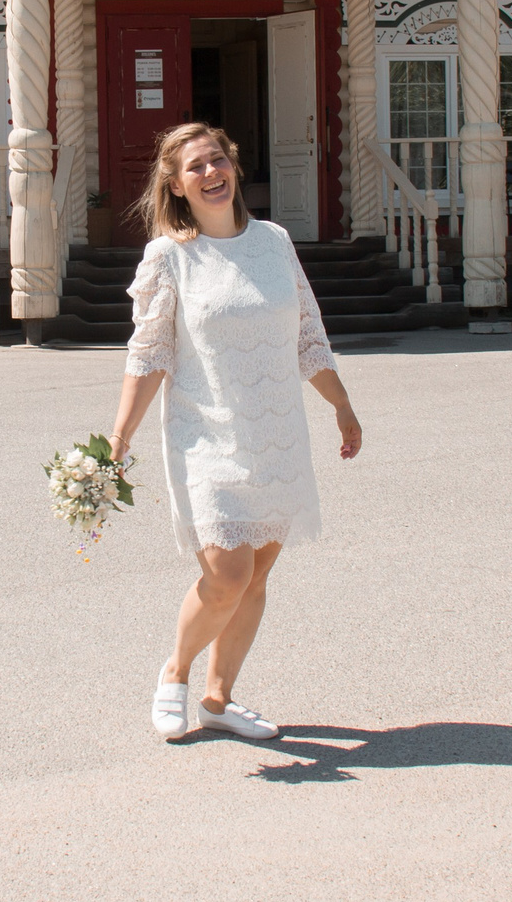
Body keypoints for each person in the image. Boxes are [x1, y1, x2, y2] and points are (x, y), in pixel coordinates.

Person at [109, 122, 364, 741]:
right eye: (195, 167)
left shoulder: (275, 241)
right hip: (206, 437)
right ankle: (175, 672)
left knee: (256, 578)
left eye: (217, 160)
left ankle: (219, 702)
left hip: (276, 433)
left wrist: (341, 405)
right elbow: (149, 355)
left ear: (235, 166)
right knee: (227, 575)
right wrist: (118, 440)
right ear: (175, 184)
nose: (210, 174)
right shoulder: (170, 256)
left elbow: (309, 333)